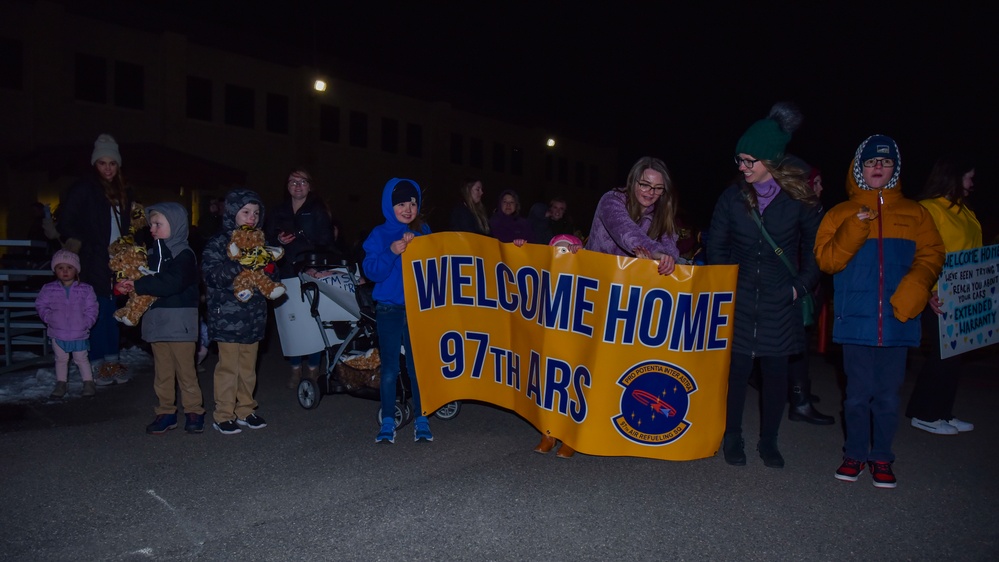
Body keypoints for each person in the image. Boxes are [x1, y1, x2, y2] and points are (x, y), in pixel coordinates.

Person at [815, 134, 944, 488]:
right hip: (855, 319)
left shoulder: (916, 212)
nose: (878, 167)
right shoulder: (839, 212)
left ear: (895, 169)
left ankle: (882, 457)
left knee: (887, 397)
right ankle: (854, 454)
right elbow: (827, 261)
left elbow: (932, 255)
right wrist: (856, 225)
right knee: (856, 395)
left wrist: (918, 287)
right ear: (858, 167)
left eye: (885, 162)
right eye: (871, 161)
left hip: (899, 317)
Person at [706, 103, 821, 469]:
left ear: (770, 160)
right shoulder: (733, 198)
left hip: (778, 301)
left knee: (775, 376)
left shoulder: (798, 199)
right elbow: (716, 246)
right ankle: (732, 436)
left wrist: (796, 290)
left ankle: (769, 441)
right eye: (739, 160)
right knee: (736, 373)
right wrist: (728, 284)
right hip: (739, 300)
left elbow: (815, 252)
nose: (741, 167)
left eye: (748, 161)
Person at [905, 155, 981, 435]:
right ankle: (923, 413)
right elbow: (916, 254)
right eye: (968, 177)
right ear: (953, 176)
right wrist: (928, 291)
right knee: (941, 355)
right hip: (939, 295)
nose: (972, 183)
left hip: (963, 296)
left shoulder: (963, 210)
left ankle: (943, 412)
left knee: (954, 355)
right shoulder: (928, 209)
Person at [115, 203, 204, 434]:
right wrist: (127, 282)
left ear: (175, 225)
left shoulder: (183, 253)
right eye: (151, 224)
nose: (152, 228)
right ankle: (166, 412)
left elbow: (172, 282)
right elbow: (140, 276)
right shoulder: (151, 253)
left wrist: (139, 284)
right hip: (157, 321)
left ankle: (194, 411)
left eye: (158, 224)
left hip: (179, 322)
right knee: (163, 372)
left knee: (185, 371)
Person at [56, 134, 133, 384]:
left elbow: (129, 225)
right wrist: (87, 242)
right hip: (94, 259)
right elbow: (66, 221)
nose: (108, 168)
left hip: (118, 261)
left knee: (113, 309)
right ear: (94, 164)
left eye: (112, 163)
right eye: (103, 163)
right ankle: (101, 362)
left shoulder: (124, 190)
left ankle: (112, 359)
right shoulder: (84, 188)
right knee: (97, 309)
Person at [363, 178, 433, 444]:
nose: (408, 208)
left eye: (413, 203)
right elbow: (372, 272)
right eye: (401, 203)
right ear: (389, 205)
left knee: (419, 368)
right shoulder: (379, 235)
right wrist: (392, 251)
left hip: (418, 311)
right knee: (391, 368)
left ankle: (422, 418)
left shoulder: (424, 231)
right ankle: (389, 419)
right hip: (390, 310)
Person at [202, 189, 276, 435]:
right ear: (233, 213)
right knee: (228, 367)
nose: (251, 217)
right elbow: (211, 276)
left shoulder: (260, 241)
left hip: (254, 315)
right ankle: (223, 414)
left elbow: (270, 274)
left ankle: (245, 409)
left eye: (256, 213)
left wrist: (269, 269)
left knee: (248, 367)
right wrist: (238, 263)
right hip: (227, 316)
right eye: (245, 212)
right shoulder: (219, 242)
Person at [514, 234, 584, 457]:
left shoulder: (581, 280)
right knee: (546, 386)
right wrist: (522, 250)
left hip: (572, 344)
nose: (561, 255)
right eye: (557, 250)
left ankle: (570, 437)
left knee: (571, 388)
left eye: (566, 250)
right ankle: (548, 434)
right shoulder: (544, 278)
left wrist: (580, 255)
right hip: (548, 343)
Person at [266, 168, 336, 388]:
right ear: (287, 186)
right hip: (285, 273)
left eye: (302, 181)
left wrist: (317, 266)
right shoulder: (278, 211)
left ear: (310, 185)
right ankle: (295, 369)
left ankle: (314, 368)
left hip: (310, 272)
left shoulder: (318, 210)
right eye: (293, 181)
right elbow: (267, 239)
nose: (297, 185)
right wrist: (279, 239)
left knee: (312, 322)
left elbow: (326, 242)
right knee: (291, 322)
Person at [781, 156, 835, 426]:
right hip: (797, 286)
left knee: (800, 341)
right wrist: (803, 285)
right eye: (817, 183)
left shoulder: (813, 209)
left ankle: (799, 392)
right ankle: (799, 401)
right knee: (796, 343)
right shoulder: (798, 210)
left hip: (807, 283)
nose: (821, 188)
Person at [586, 156, 679, 275]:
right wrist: (656, 253)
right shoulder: (611, 200)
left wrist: (665, 260)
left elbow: (670, 248)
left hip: (628, 282)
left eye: (658, 188)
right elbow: (627, 233)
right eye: (645, 185)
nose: (651, 192)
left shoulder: (660, 214)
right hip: (595, 275)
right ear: (633, 181)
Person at [35, 250, 98, 399]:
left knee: (81, 358)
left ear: (76, 270)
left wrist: (87, 322)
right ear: (55, 270)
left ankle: (88, 382)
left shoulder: (86, 289)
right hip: (58, 331)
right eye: (60, 268)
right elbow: (41, 304)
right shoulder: (48, 289)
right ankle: (61, 383)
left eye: (69, 268)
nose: (65, 271)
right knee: (61, 359)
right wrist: (48, 317)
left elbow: (92, 308)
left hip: (79, 331)